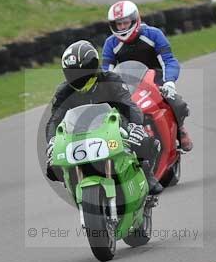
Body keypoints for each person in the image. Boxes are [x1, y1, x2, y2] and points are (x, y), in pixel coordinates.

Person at [45, 40, 164, 195]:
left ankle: (146, 174)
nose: (75, 78)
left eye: (79, 73)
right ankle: (73, 181)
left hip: (112, 128)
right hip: (78, 134)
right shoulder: (64, 91)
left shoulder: (111, 80)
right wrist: (52, 141)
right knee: (52, 167)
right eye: (71, 73)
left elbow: (128, 105)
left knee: (148, 143)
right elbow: (55, 119)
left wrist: (135, 125)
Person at [100, 0, 193, 152]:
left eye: (125, 22)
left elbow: (168, 60)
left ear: (135, 19)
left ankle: (180, 130)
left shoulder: (153, 34)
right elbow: (106, 72)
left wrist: (169, 82)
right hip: (127, 83)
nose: (122, 27)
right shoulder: (110, 43)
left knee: (177, 103)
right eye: (119, 24)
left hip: (156, 79)